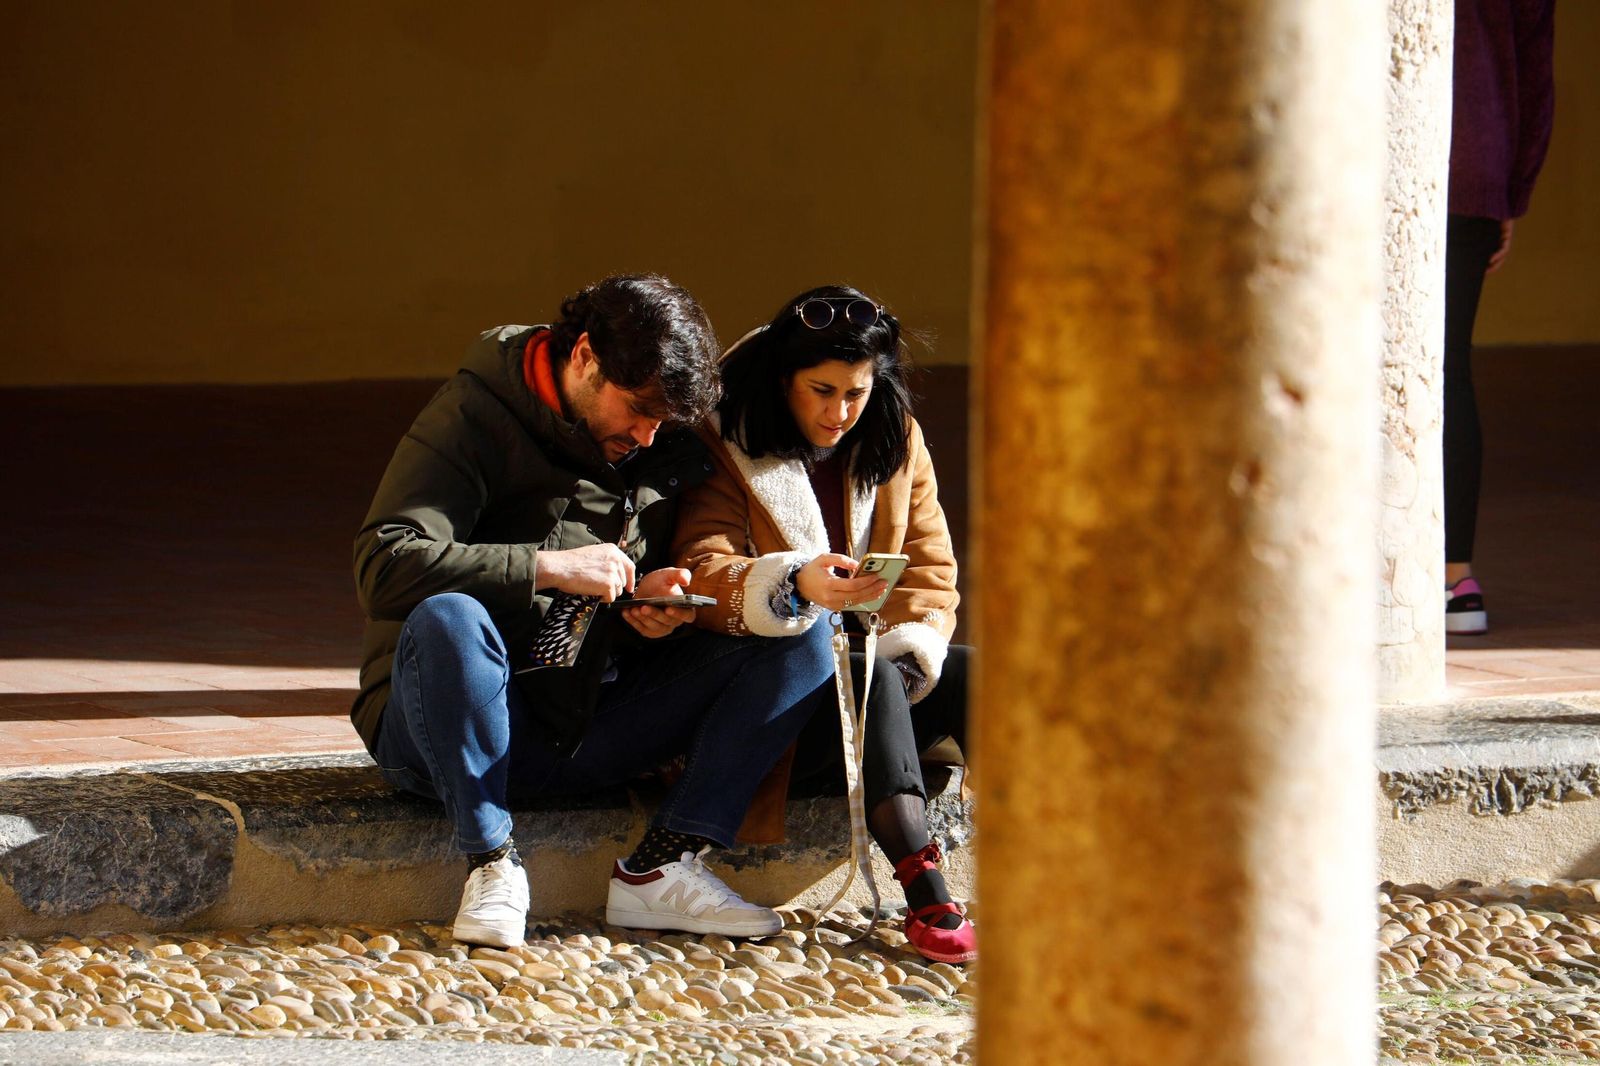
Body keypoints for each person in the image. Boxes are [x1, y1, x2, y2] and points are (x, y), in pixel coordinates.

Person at [351, 274, 835, 948]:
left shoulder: (659, 441)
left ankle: (663, 865)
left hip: (580, 724)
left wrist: (649, 608)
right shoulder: (473, 413)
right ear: (583, 357)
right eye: (636, 408)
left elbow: (617, 600)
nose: (645, 433)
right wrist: (546, 567)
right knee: (450, 619)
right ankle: (492, 864)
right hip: (446, 732)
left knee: (798, 628)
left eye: (662, 419)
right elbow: (384, 563)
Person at [672, 285, 975, 964]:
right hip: (776, 716)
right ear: (783, 381)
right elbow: (701, 564)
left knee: (977, 673)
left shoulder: (895, 435)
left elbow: (931, 573)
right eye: (821, 390)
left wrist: (906, 660)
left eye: (855, 393)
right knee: (871, 675)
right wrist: (789, 583)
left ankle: (1070, 862)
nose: (839, 412)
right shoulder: (723, 437)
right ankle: (928, 894)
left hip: (874, 698)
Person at [1443, 0, 1555, 634]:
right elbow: (1533, 56)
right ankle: (1457, 580)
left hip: (1345, 156)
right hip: (1472, 162)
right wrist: (1513, 187)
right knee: (1444, 367)